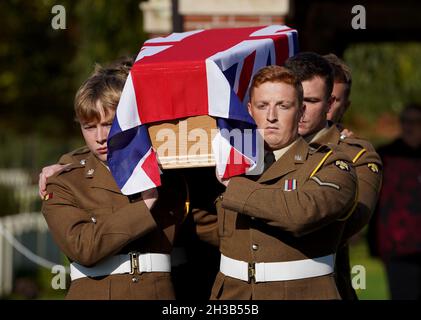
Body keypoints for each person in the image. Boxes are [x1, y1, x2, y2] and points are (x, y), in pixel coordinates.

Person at [195, 65, 357, 300]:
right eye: (263, 106)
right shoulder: (234, 164)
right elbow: (207, 224)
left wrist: (233, 185)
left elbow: (301, 214)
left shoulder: (331, 162)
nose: (271, 116)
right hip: (235, 296)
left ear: (301, 111)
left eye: (283, 106)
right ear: (249, 111)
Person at [41, 58, 188, 299]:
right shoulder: (64, 181)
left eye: (109, 124)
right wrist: (144, 206)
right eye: (89, 127)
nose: (99, 137)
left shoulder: (169, 171)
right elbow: (84, 248)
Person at [284, 52, 383, 300]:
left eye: (330, 100)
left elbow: (350, 220)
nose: (308, 109)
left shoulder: (354, 153)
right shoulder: (264, 147)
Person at [368, 103, 421, 300]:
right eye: (405, 121)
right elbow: (375, 200)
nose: (409, 127)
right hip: (397, 248)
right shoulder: (386, 155)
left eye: (415, 122)